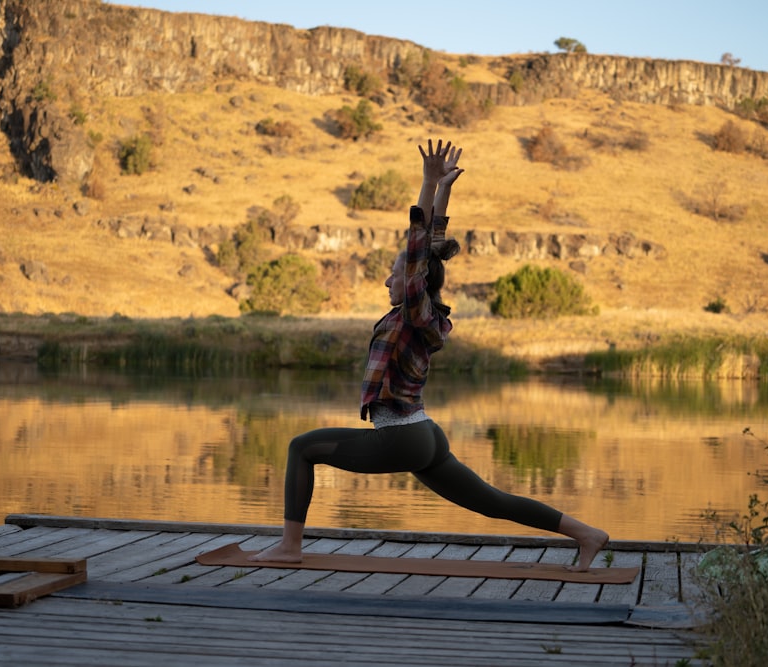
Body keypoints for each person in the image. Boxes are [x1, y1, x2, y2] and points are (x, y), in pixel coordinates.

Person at [249, 139, 609, 571]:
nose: (388, 280)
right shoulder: (425, 314)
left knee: (301, 447)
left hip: (402, 436)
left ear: (414, 280)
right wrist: (443, 190)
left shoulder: (417, 312)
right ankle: (587, 534)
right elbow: (432, 245)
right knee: (492, 501)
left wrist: (425, 182)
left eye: (395, 273)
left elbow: (419, 245)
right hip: (424, 435)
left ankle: (289, 546)